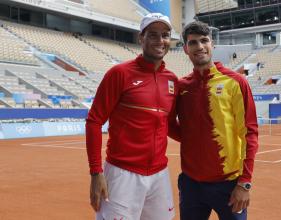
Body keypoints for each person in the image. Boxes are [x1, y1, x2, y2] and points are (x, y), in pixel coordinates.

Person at [86, 13, 178, 220]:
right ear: (141, 38)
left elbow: (169, 124)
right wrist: (95, 172)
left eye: (165, 35)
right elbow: (94, 121)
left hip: (159, 174)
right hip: (122, 173)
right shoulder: (119, 73)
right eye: (153, 35)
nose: (160, 40)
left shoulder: (171, 80)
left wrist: (202, 138)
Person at [171, 21, 259, 220]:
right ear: (185, 49)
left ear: (212, 45)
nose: (199, 47)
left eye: (204, 41)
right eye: (193, 43)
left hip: (229, 184)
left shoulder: (235, 82)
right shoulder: (181, 86)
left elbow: (250, 133)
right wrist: (191, 139)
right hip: (191, 184)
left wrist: (245, 183)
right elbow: (169, 124)